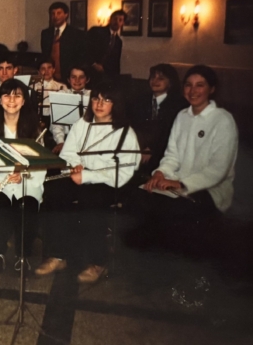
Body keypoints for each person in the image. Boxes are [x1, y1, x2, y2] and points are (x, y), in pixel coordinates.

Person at [36, 82, 140, 283]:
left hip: (108, 182)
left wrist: (88, 176)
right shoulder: (82, 124)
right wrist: (75, 165)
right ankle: (58, 255)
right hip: (80, 175)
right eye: (96, 98)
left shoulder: (125, 132)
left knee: (92, 201)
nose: (99, 104)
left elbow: (124, 171)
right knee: (55, 193)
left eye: (106, 100)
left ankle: (97, 262)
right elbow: (68, 153)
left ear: (116, 104)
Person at [140, 65, 237, 257]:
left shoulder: (223, 120)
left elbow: (218, 171)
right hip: (177, 183)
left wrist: (180, 183)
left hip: (210, 190)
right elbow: (172, 155)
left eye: (200, 85)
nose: (193, 91)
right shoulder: (182, 116)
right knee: (142, 196)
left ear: (212, 89)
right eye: (188, 85)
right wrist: (160, 173)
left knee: (174, 212)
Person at [0, 79, 43, 276]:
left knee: (27, 205)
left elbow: (41, 166)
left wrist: (24, 177)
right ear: (0, 100)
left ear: (24, 101)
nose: (12, 100)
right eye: (7, 95)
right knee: (1, 205)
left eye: (17, 95)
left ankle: (23, 256)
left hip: (26, 184)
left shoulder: (34, 129)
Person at [129, 64, 188, 177]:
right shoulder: (139, 100)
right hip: (138, 149)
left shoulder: (179, 104)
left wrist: (151, 149)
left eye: (161, 78)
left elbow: (170, 132)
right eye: (153, 77)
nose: (155, 81)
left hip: (165, 152)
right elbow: (134, 126)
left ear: (170, 82)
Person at [40, 2, 87, 82]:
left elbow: (81, 58)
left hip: (70, 78)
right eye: (53, 14)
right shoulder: (46, 33)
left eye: (59, 13)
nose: (55, 16)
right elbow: (45, 56)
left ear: (66, 15)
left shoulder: (77, 34)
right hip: (50, 79)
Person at [50, 65, 91, 154]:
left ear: (87, 79)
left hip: (87, 139)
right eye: (73, 77)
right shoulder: (61, 94)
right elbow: (56, 124)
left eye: (81, 77)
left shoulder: (92, 96)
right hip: (65, 138)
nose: (77, 80)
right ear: (68, 79)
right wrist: (60, 142)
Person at [87, 10, 126, 84]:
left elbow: (116, 62)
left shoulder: (118, 41)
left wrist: (116, 79)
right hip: (89, 72)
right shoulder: (96, 31)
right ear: (110, 19)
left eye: (120, 20)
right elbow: (85, 48)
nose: (117, 22)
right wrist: (94, 64)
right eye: (115, 18)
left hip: (106, 77)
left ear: (123, 23)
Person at [33, 58, 68, 128]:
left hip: (56, 120)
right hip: (37, 119)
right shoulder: (33, 87)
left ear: (54, 70)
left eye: (49, 68)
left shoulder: (62, 86)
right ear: (39, 72)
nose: (46, 71)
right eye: (43, 68)